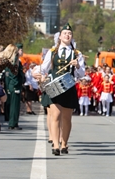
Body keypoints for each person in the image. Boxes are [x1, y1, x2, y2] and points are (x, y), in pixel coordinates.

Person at [36, 23, 85, 155]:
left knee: (66, 118)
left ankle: (64, 143)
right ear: (60, 36)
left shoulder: (77, 54)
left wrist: (78, 66)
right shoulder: (53, 52)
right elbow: (44, 67)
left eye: (69, 34)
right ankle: (56, 144)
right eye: (65, 33)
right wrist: (38, 74)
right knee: (56, 115)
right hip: (54, 86)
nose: (67, 35)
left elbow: (82, 75)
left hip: (68, 86)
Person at [4, 43, 25, 129]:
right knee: (14, 106)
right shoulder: (14, 61)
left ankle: (14, 123)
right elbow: (13, 76)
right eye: (20, 50)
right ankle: (12, 123)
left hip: (15, 86)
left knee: (15, 106)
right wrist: (15, 86)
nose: (21, 51)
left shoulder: (17, 61)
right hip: (14, 86)